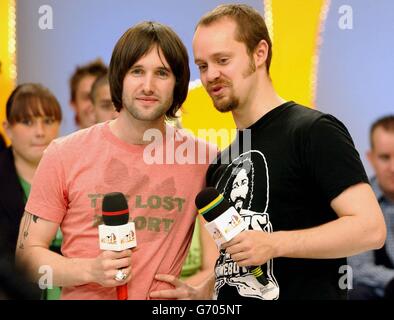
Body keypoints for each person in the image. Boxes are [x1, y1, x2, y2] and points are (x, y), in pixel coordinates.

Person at [150, 4, 386, 300]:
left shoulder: (313, 131)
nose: (211, 75)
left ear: (259, 53)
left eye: (222, 60)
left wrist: (275, 244)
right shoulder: (222, 163)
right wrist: (202, 292)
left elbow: (370, 229)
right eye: (202, 66)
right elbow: (238, 260)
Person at [15, 21, 217, 300]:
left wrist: (203, 292)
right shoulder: (63, 154)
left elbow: (232, 254)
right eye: (137, 71)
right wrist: (89, 270)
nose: (148, 86)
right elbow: (26, 257)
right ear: (119, 78)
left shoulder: (204, 158)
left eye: (161, 73)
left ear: (178, 84)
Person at [0, 84, 62, 260]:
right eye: (28, 122)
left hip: (75, 284)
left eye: (48, 121)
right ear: (8, 129)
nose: (40, 132)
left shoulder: (77, 171)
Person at [349, 115, 394, 300]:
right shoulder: (359, 201)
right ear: (371, 158)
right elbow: (358, 268)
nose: (393, 167)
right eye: (385, 157)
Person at [69, 59, 107, 130]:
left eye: (101, 98)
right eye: (87, 97)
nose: (94, 106)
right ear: (74, 104)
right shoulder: (62, 141)